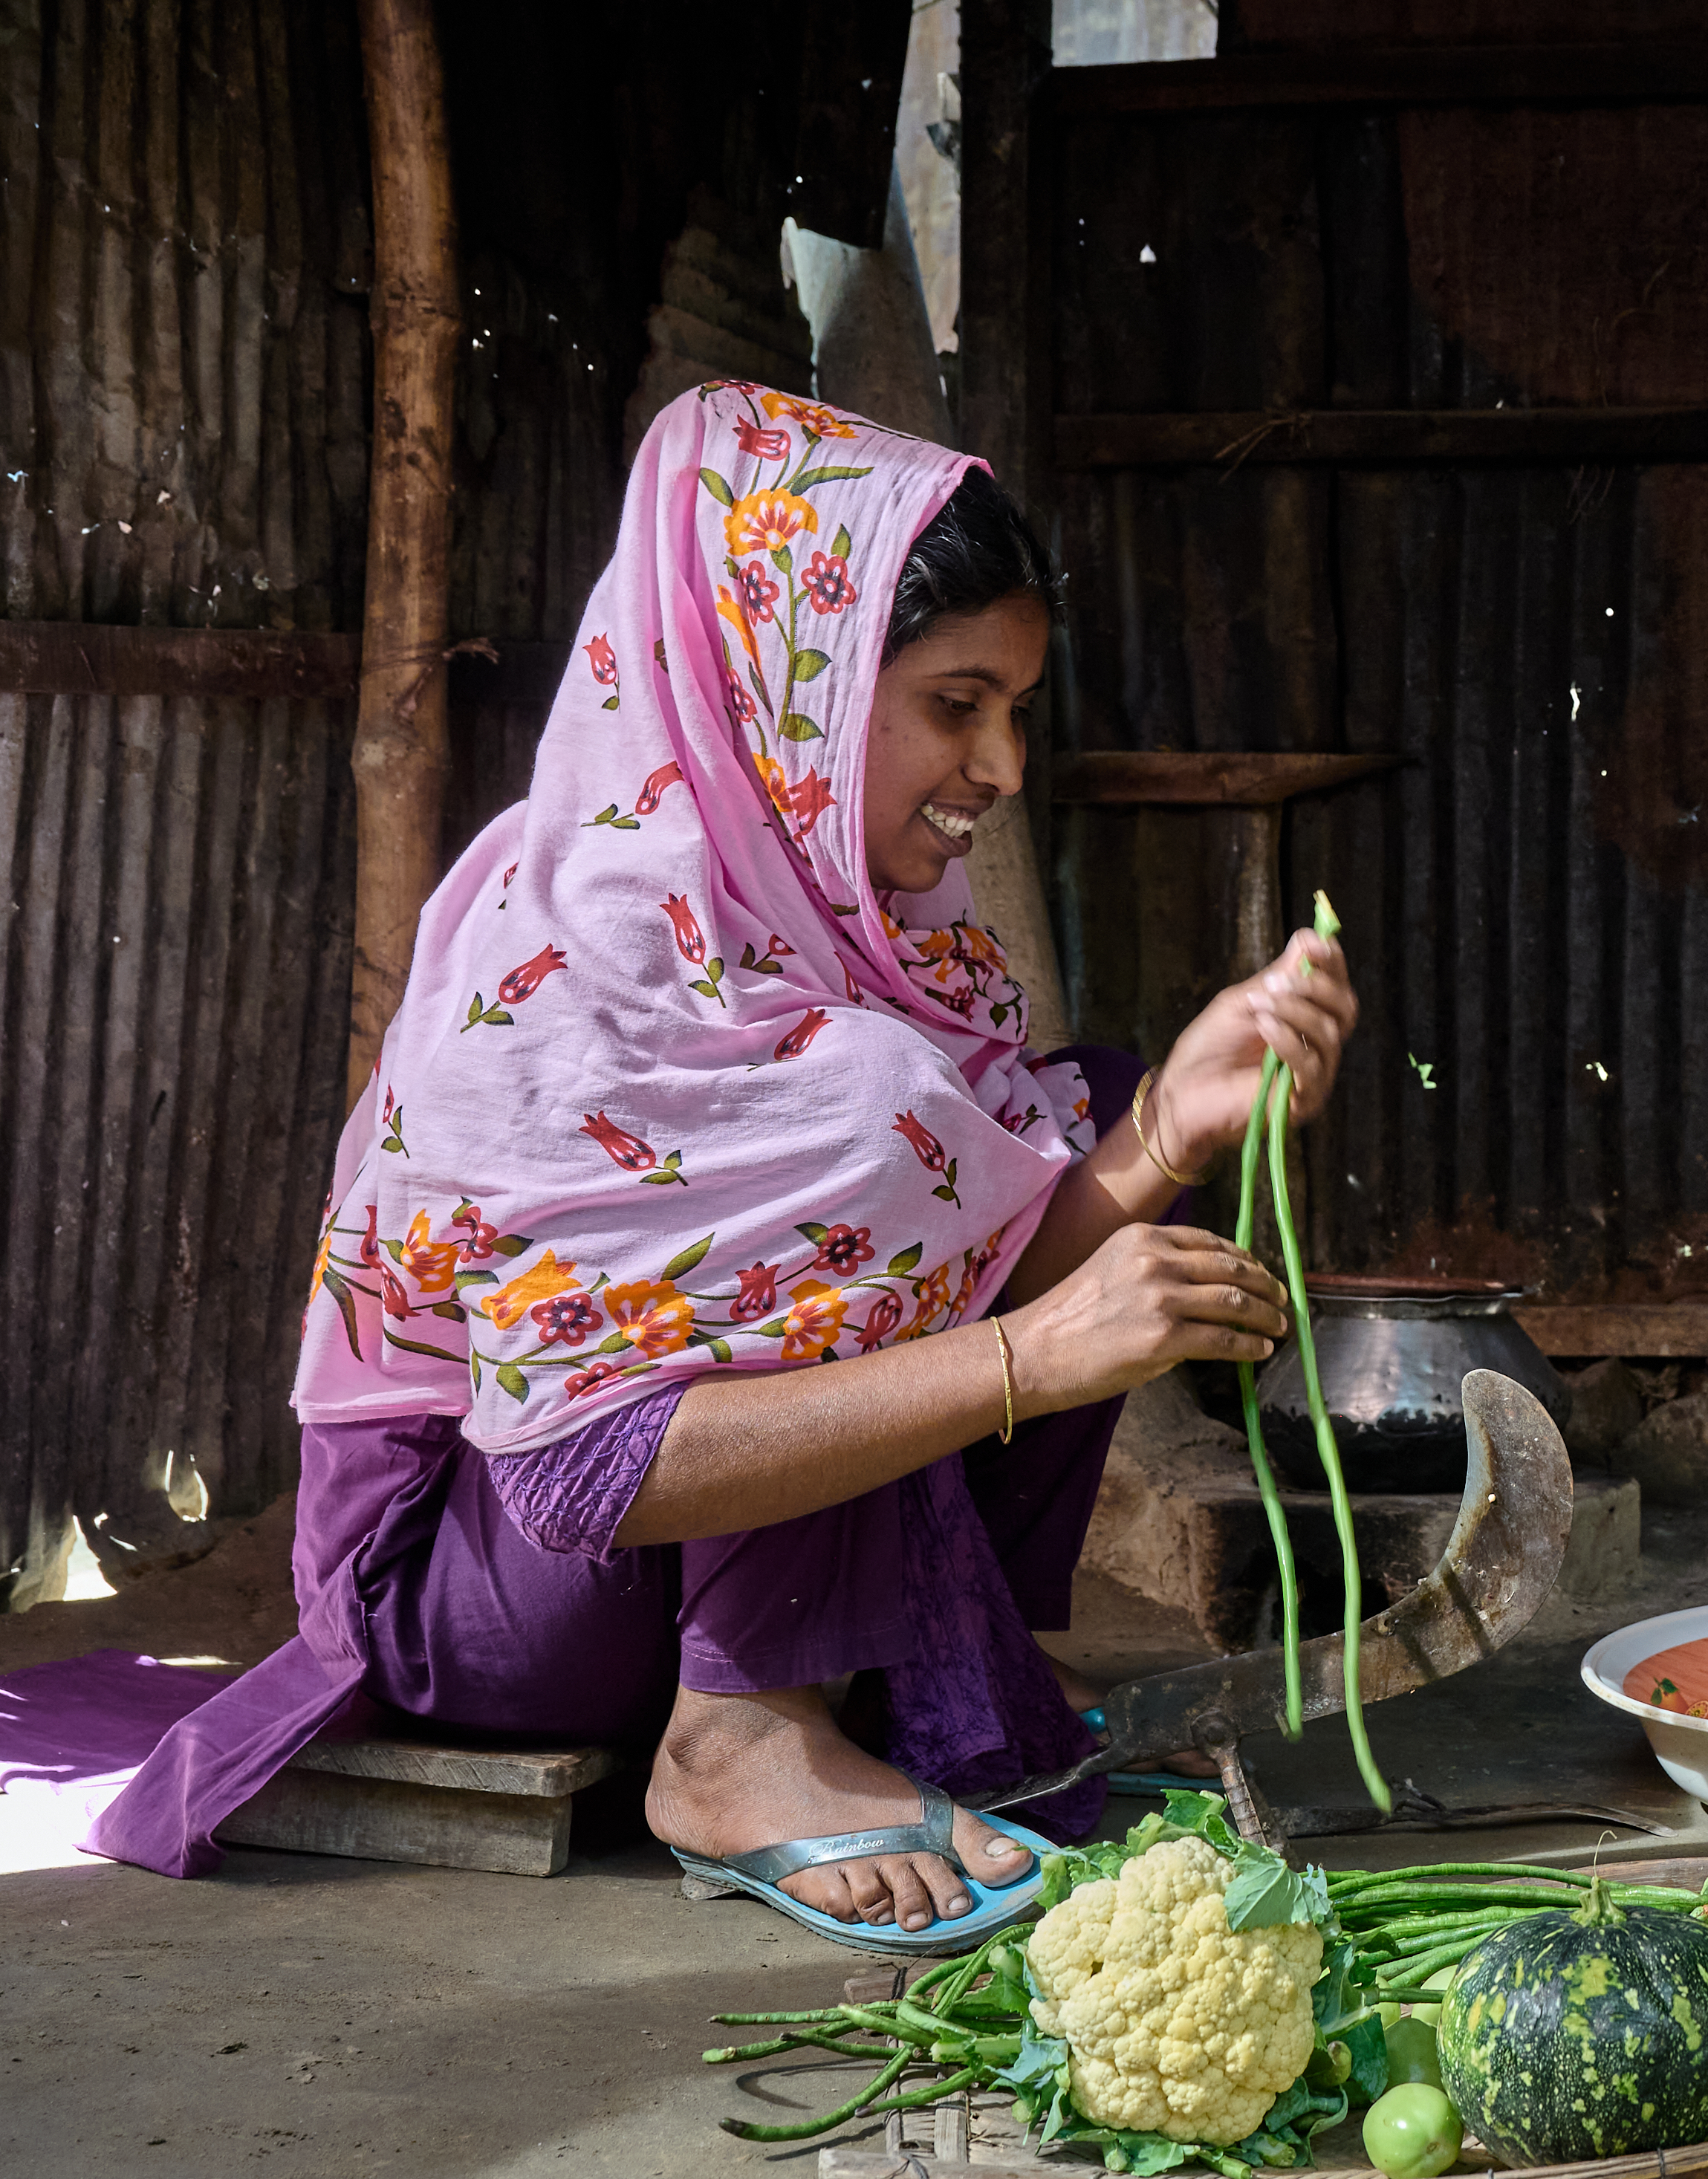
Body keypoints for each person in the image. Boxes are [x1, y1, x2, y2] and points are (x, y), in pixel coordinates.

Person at [97, 386, 1359, 1948]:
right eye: (958, 705)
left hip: (631, 1556)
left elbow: (952, 1281)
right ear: (798, 692)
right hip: (474, 1596)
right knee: (872, 1130)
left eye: (1017, 711)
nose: (1004, 765)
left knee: (1053, 1106)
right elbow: (571, 1474)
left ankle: (897, 1660)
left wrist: (1167, 1131)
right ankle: (737, 1739)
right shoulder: (592, 937)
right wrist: (1039, 1349)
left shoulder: (849, 928)